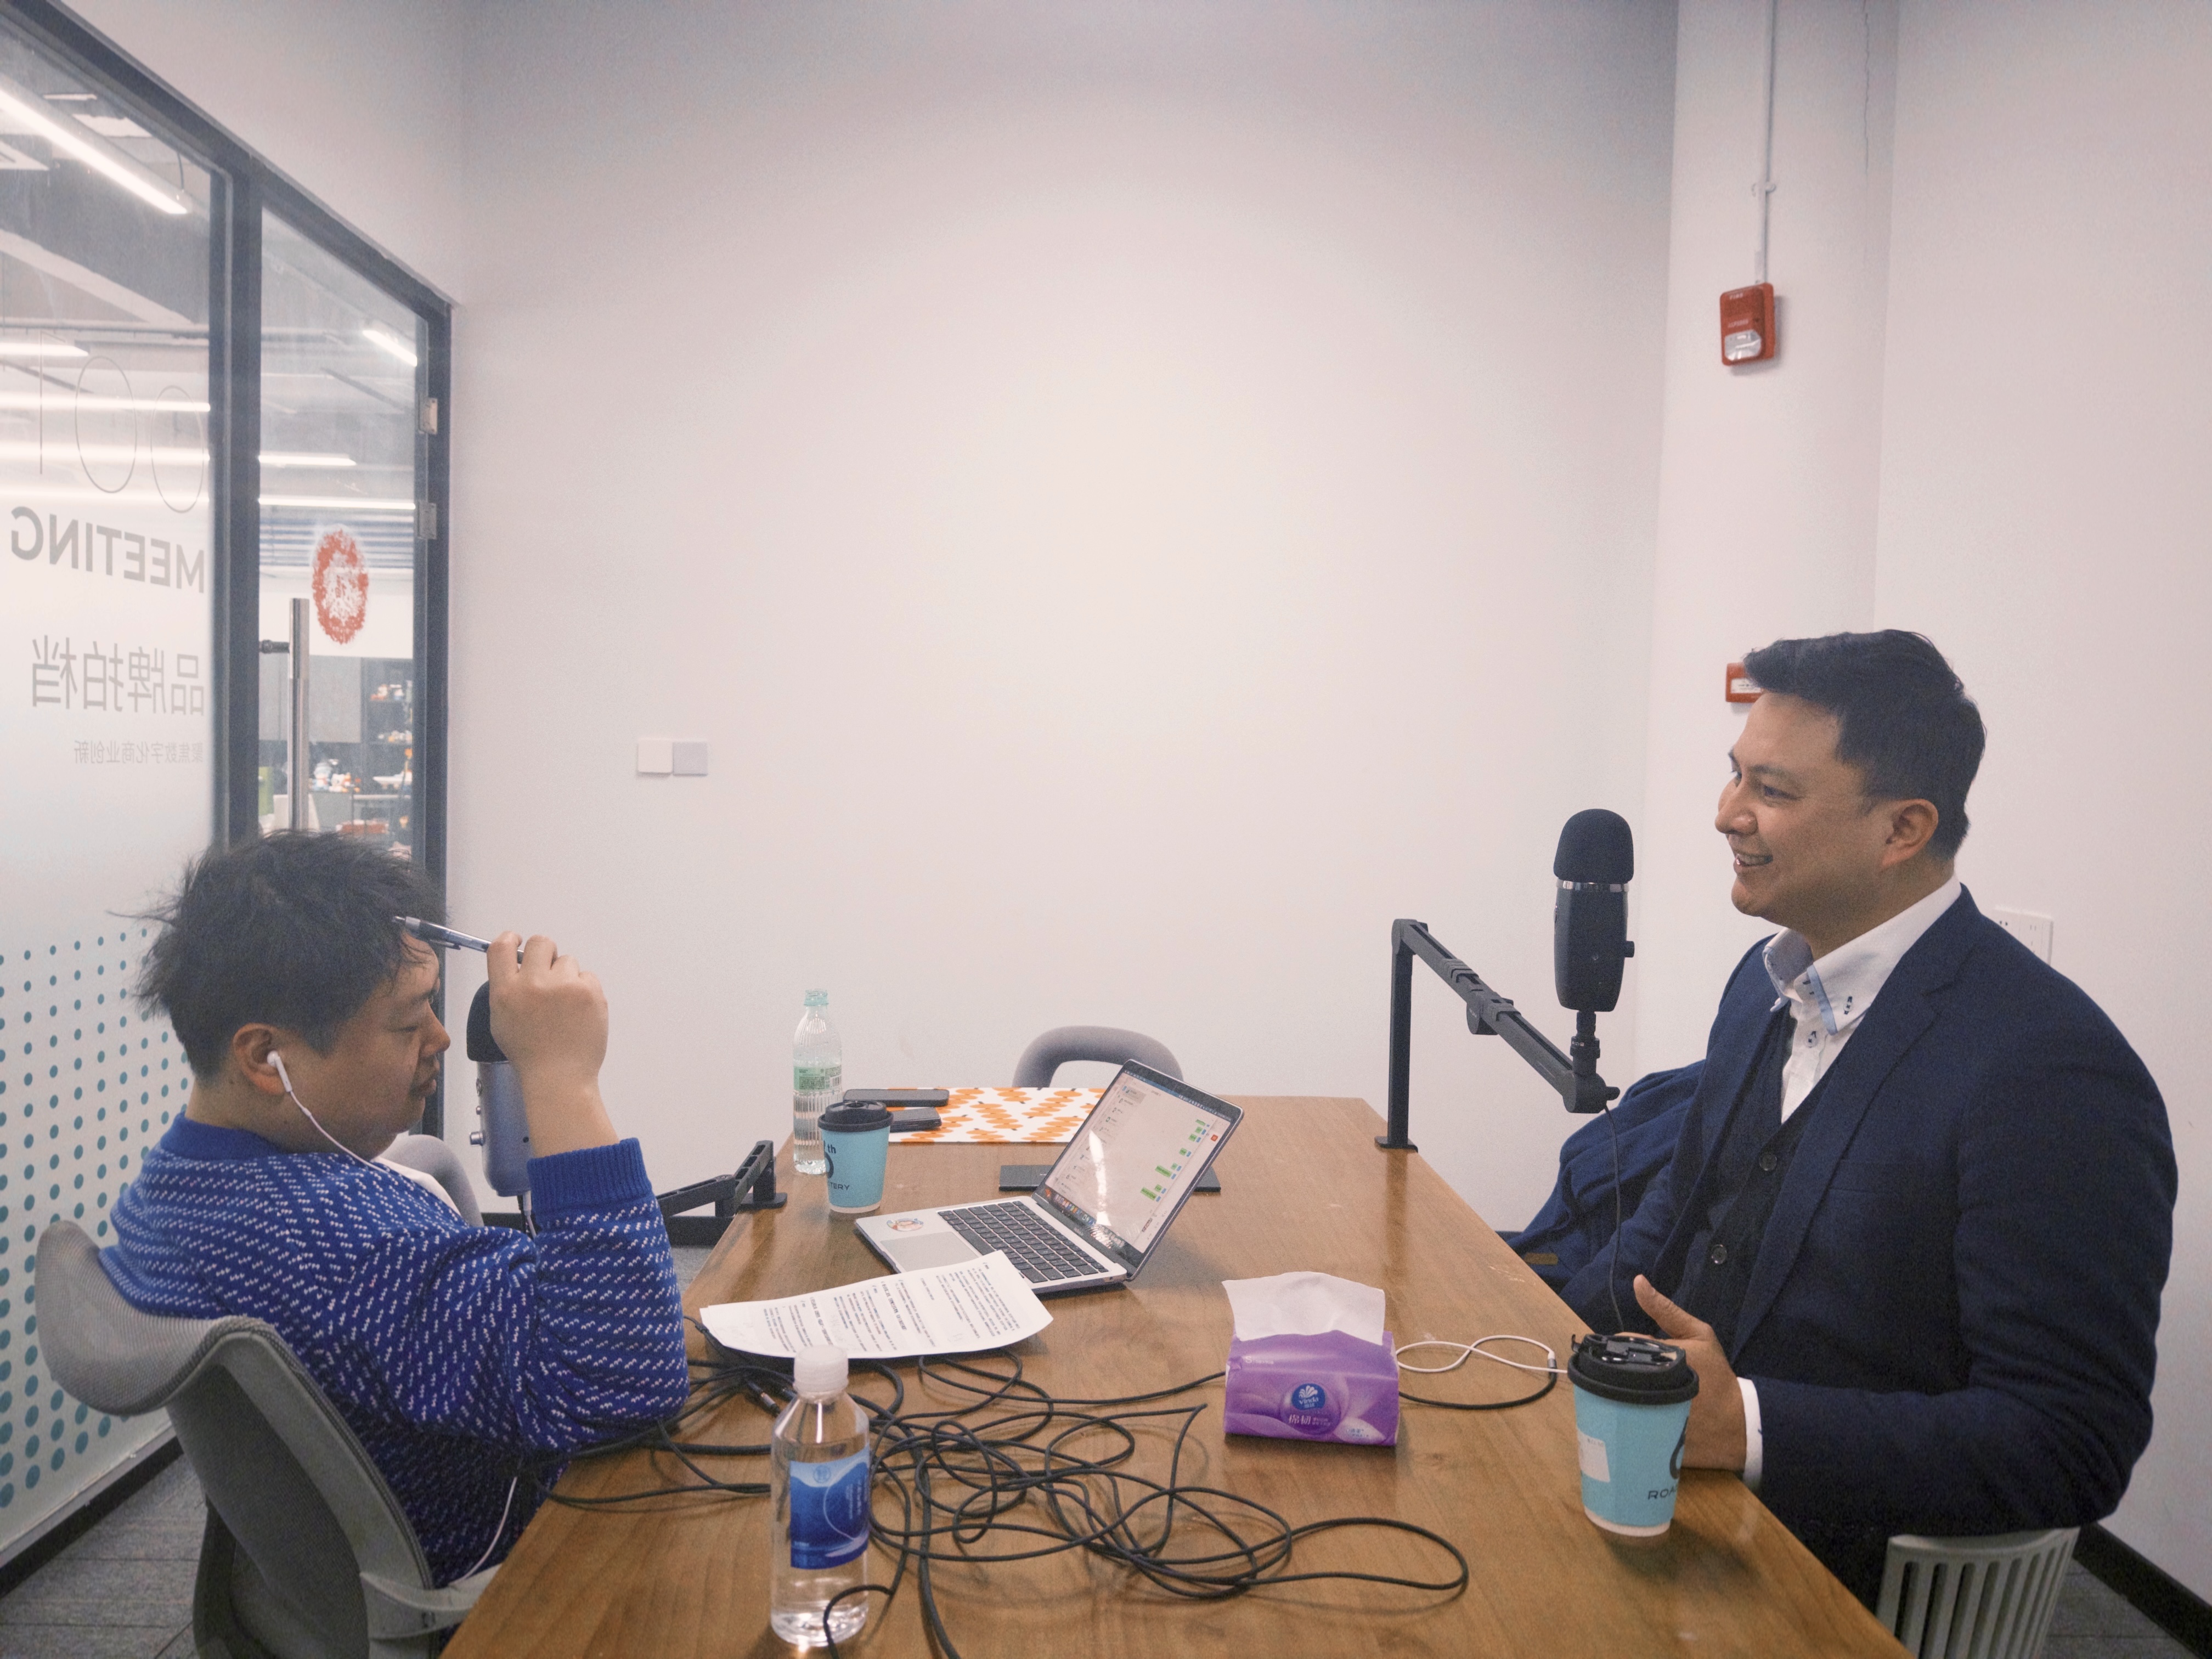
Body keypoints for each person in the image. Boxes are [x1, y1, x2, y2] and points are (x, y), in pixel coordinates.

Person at [1560, 630, 2175, 1604]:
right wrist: (1545, 1341)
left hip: (1841, 1577)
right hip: (1663, 1494)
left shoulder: (2050, 1072)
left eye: (1772, 790)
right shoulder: (1762, 983)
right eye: (1735, 774)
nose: (1726, 813)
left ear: (1902, 830)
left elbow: (2070, 1441)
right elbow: (1681, 1212)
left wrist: (1747, 1425)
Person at [104, 833, 691, 1584]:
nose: (441, 1039)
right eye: (409, 1023)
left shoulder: (171, 1183)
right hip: (525, 1570)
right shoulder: (340, 1245)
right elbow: (626, 1378)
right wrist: (562, 1077)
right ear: (265, 1058)